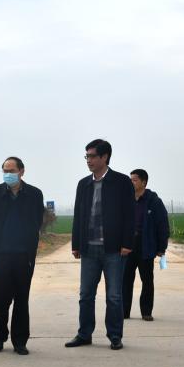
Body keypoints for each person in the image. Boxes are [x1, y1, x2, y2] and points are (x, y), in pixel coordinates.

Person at [66, 139, 135, 350]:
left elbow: (130, 215)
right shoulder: (83, 184)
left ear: (105, 157)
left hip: (114, 249)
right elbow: (78, 215)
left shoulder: (121, 182)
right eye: (86, 156)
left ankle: (115, 336)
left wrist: (127, 242)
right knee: (86, 295)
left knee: (114, 296)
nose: (89, 160)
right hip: (89, 249)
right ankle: (84, 334)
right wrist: (76, 244)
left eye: (92, 156)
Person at [0, 156, 45, 355]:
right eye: (5, 171)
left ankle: (20, 341)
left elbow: (37, 221)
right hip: (1, 255)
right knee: (0, 298)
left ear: (21, 171)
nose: (8, 174)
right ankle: (0, 336)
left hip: (24, 256)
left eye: (11, 171)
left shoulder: (34, 194)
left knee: (21, 299)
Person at [122, 169, 170, 321]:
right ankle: (124, 311)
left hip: (146, 245)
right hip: (127, 246)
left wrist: (161, 248)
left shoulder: (154, 201)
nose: (131, 182)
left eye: (134, 180)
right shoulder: (125, 199)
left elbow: (163, 225)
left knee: (147, 280)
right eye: (130, 179)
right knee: (125, 280)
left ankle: (146, 312)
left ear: (144, 182)